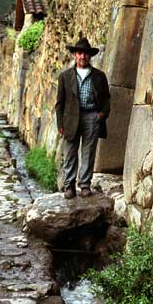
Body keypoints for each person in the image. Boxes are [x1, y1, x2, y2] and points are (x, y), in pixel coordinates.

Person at [55, 37, 110, 199]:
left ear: (89, 56)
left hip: (91, 117)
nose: (82, 57)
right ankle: (69, 186)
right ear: (74, 55)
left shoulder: (99, 76)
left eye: (85, 54)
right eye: (79, 53)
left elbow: (107, 98)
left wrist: (101, 115)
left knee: (88, 152)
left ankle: (85, 184)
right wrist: (60, 123)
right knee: (70, 152)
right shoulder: (65, 76)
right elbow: (60, 103)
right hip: (71, 118)